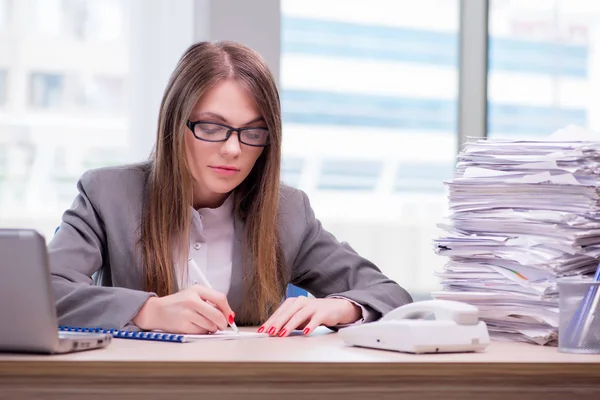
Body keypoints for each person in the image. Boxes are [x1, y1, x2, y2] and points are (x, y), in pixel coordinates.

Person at [49, 41, 412, 337]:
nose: (233, 149)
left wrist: (340, 306)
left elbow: (390, 295)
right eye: (212, 127)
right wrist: (148, 310)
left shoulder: (288, 212)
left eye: (253, 132)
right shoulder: (108, 194)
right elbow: (43, 292)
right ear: (175, 125)